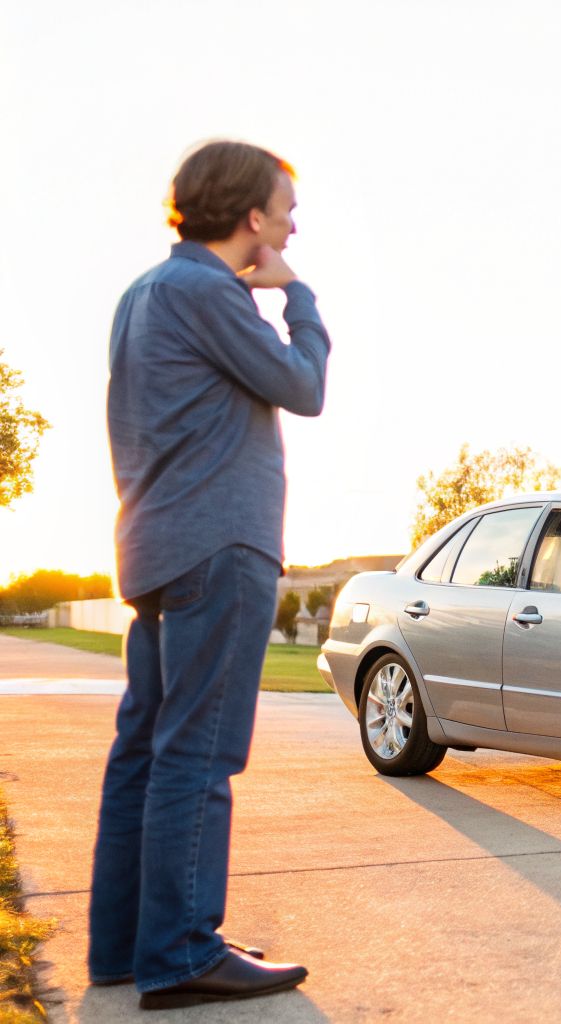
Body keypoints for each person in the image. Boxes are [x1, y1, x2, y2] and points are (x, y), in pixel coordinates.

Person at [91, 140, 328, 1010]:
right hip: (218, 544)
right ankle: (185, 953)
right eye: (286, 207)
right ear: (250, 216)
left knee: (146, 749)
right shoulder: (207, 291)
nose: (294, 223)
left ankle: (128, 946)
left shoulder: (145, 294)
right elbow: (302, 386)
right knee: (198, 750)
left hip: (154, 541)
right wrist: (296, 295)